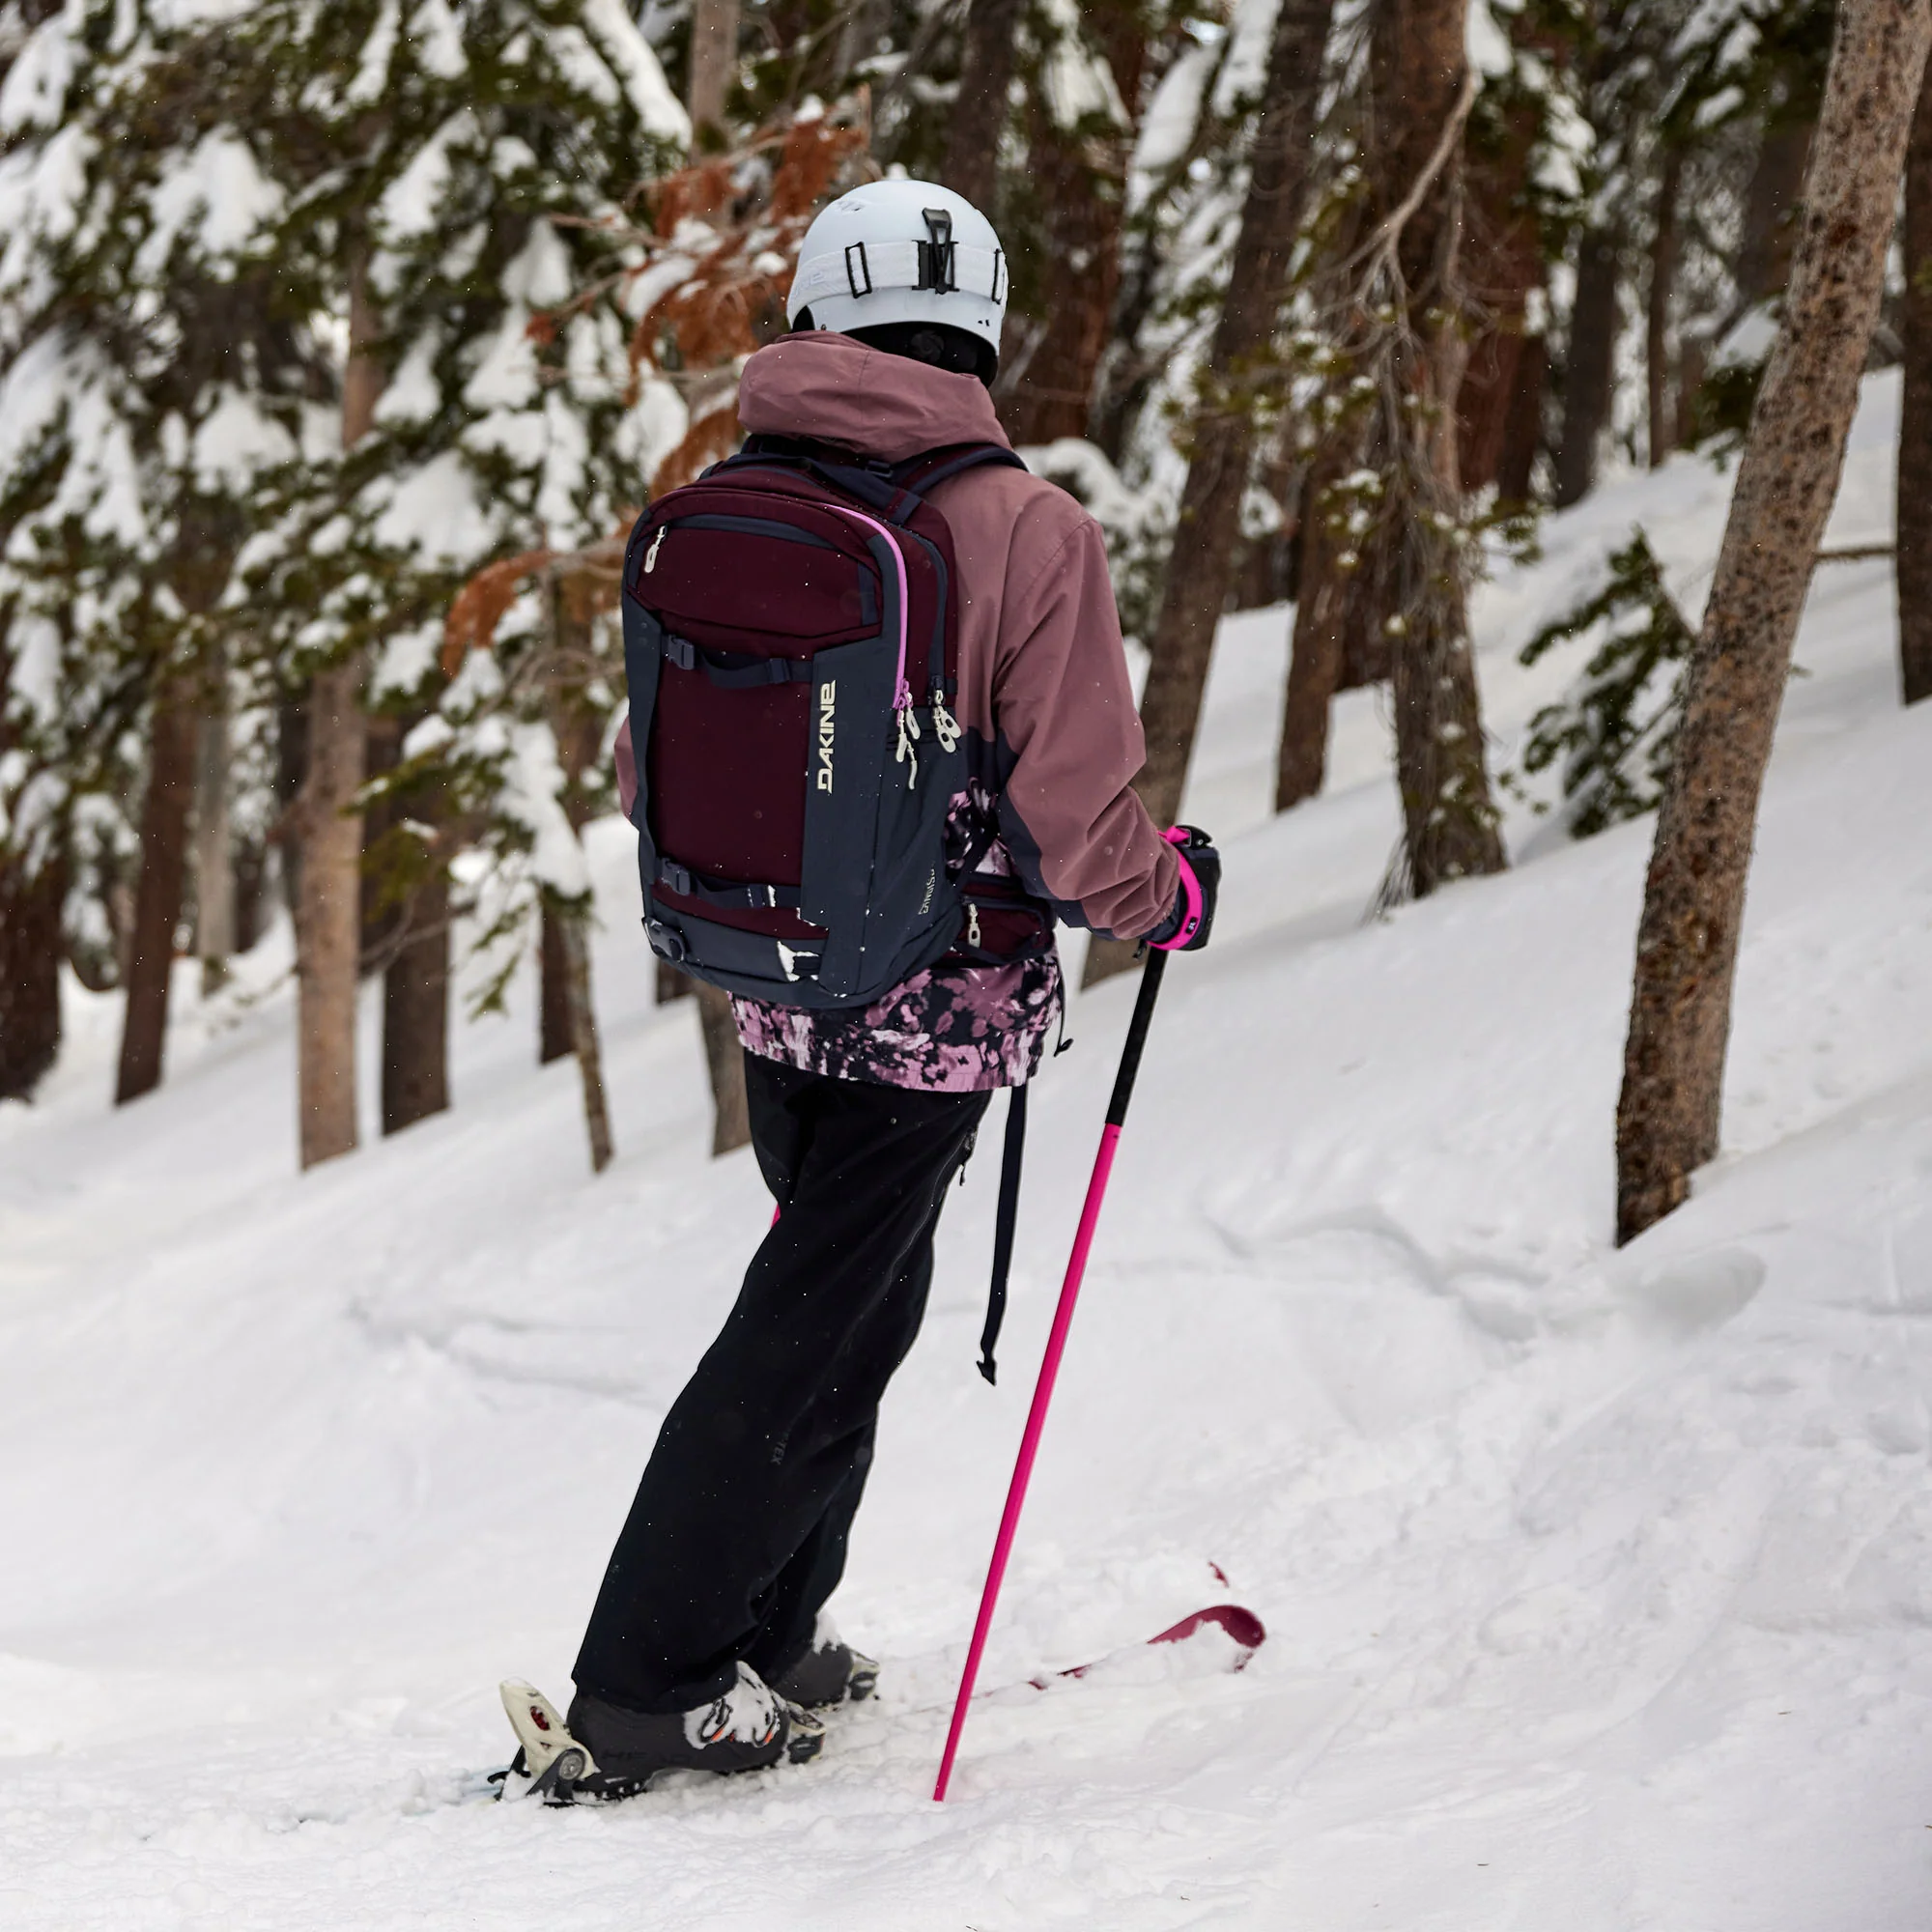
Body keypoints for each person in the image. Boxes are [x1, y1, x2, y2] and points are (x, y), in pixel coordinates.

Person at [563, 179, 1218, 1792]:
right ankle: (646, 1677)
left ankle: (770, 1635)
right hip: (941, 988)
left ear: (815, 308)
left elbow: (655, 764)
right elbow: (1076, 826)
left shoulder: (729, 492)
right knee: (814, 1314)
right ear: (981, 328)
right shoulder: (1031, 529)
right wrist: (1170, 893)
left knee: (850, 1290)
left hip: (770, 969)